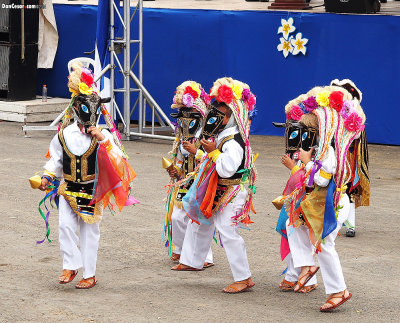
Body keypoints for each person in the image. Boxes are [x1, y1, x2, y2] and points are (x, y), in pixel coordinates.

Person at [39, 64, 137, 289]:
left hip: (93, 190)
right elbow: (55, 160)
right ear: (74, 109)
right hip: (68, 189)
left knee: (89, 233)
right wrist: (47, 176)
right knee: (64, 226)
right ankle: (71, 265)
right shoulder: (63, 134)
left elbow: (118, 160)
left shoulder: (104, 136)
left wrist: (103, 139)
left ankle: (89, 274)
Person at [277, 83, 366, 311]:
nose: (305, 136)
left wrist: (306, 163)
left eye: (309, 131)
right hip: (315, 202)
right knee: (292, 224)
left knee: (324, 245)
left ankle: (339, 291)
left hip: (332, 202)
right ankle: (306, 266)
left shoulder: (328, 151)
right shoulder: (317, 147)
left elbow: (321, 180)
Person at [172, 77, 257, 294]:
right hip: (216, 188)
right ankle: (193, 260)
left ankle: (243, 277)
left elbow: (227, 169)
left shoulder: (234, 141)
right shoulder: (222, 136)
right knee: (201, 222)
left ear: (231, 117)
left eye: (221, 114)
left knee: (227, 232)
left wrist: (212, 151)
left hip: (232, 189)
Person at [164, 80, 213, 266]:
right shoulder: (182, 135)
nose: (185, 116)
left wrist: (196, 152)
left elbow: (214, 159)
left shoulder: (208, 135)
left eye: (190, 113)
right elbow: (178, 159)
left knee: (199, 219)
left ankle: (205, 256)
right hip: (185, 181)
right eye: (182, 113)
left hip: (203, 180)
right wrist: (174, 170)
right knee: (176, 216)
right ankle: (180, 248)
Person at [330, 79, 370, 238]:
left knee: (348, 192)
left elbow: (358, 135)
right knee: (331, 190)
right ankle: (333, 223)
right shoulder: (331, 114)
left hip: (350, 159)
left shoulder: (356, 116)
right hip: (333, 158)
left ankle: (350, 226)